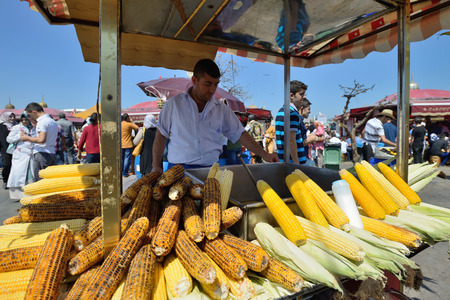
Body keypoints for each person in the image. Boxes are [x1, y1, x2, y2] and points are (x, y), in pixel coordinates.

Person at [151, 59, 278, 172]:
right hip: (178, 170)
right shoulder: (174, 104)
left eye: (216, 84)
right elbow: (161, 135)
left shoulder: (221, 109)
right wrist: (156, 166)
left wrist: (265, 154)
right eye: (207, 84)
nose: (212, 90)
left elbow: (240, 134)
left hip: (210, 170)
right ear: (194, 80)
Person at [275, 80, 322, 164]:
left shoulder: (281, 111)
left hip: (283, 160)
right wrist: (297, 164)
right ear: (292, 95)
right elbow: (291, 141)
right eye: (301, 94)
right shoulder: (292, 113)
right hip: (293, 162)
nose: (304, 97)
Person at [20, 103, 59, 181]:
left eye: (29, 115)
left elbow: (41, 139)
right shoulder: (52, 121)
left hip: (42, 153)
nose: (29, 117)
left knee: (40, 181)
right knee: (50, 180)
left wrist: (26, 138)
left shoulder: (42, 122)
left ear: (34, 112)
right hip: (51, 152)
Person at [6, 113, 36, 199]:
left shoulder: (34, 128)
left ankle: (31, 193)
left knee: (30, 174)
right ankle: (18, 195)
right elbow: (9, 139)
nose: (24, 121)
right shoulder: (16, 128)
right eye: (23, 120)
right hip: (20, 155)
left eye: (26, 120)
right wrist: (19, 136)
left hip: (31, 155)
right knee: (18, 174)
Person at [0, 112, 16, 189]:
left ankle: (12, 182)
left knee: (15, 165)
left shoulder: (16, 125)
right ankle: (5, 180)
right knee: (6, 164)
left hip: (15, 149)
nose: (12, 119)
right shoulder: (1, 126)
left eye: (13, 117)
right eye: (10, 117)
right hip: (4, 148)